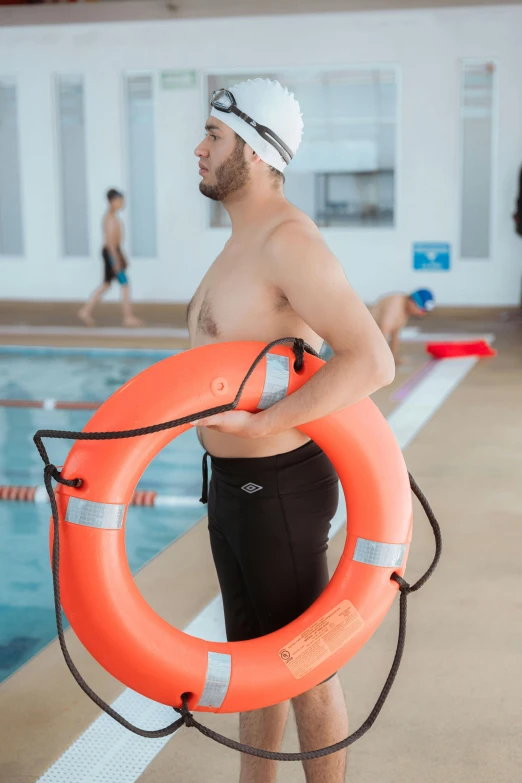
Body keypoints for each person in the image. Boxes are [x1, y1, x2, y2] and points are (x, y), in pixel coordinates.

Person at [188, 78, 395, 783]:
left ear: (250, 147)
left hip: (277, 485)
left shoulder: (288, 243)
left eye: (212, 138)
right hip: (234, 486)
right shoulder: (241, 244)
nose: (200, 149)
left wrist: (264, 423)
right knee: (254, 656)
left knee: (304, 663)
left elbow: (373, 359)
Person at [78, 189, 142, 328]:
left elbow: (116, 242)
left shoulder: (113, 217)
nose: (122, 203)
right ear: (112, 202)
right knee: (124, 285)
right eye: (119, 201)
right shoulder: (110, 219)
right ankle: (128, 317)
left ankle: (86, 311)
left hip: (114, 253)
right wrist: (116, 260)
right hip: (111, 254)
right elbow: (110, 243)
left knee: (107, 284)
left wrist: (121, 255)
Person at [371, 289, 435, 364]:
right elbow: (384, 331)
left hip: (375, 336)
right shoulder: (396, 303)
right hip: (368, 335)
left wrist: (393, 358)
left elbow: (395, 334)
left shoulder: (404, 309)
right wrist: (382, 360)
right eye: (422, 310)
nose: (422, 314)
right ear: (413, 302)